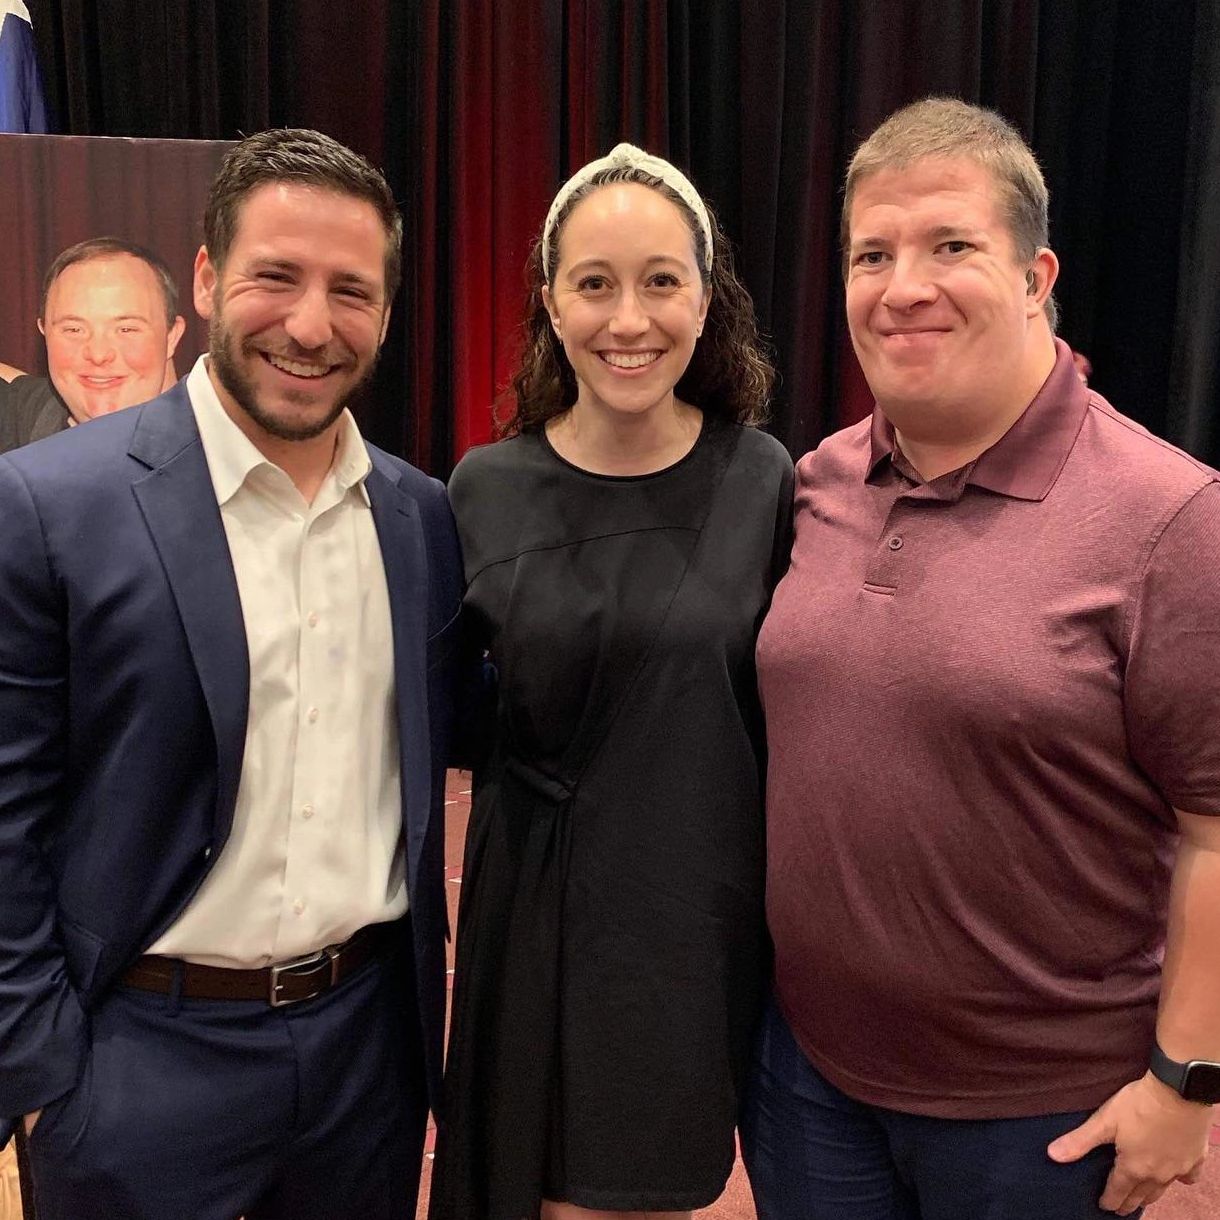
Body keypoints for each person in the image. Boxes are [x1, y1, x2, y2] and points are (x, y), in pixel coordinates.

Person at [746, 97, 1220, 1220]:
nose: (901, 284)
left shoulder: (1166, 516)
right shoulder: (814, 483)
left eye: (949, 245)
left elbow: (1213, 828)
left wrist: (1186, 1081)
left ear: (1033, 276)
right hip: (806, 1080)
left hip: (1039, 1120)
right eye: (871, 253)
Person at [0, 128, 463, 1220]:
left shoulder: (424, 519)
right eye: (275, 276)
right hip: (134, 1064)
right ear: (207, 279)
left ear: (387, 313)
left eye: (351, 289)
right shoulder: (50, 504)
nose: (310, 323)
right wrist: (46, 1071)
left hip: (364, 1057)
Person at [429, 143, 793, 1220]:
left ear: (704, 293)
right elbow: (451, 715)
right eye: (594, 283)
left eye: (658, 281)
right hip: (532, 908)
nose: (626, 319)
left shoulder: (760, 477)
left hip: (688, 914)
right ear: (549, 300)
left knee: (640, 1193)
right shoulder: (483, 487)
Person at [0, 237, 185, 453]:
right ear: (44, 332)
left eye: (126, 330)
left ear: (172, 336)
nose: (98, 354)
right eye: (74, 330)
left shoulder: (213, 458)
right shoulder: (27, 418)